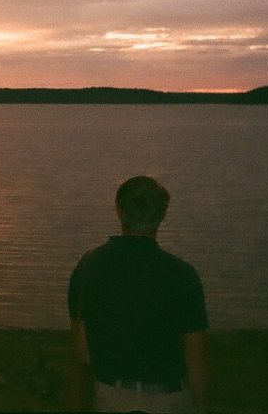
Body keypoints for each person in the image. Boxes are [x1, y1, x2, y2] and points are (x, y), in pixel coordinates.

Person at [67, 175, 209, 413]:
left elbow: (81, 349)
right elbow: (195, 355)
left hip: (110, 397)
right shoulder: (182, 274)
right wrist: (201, 407)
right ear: (162, 215)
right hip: (169, 399)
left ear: (118, 211)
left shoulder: (90, 265)